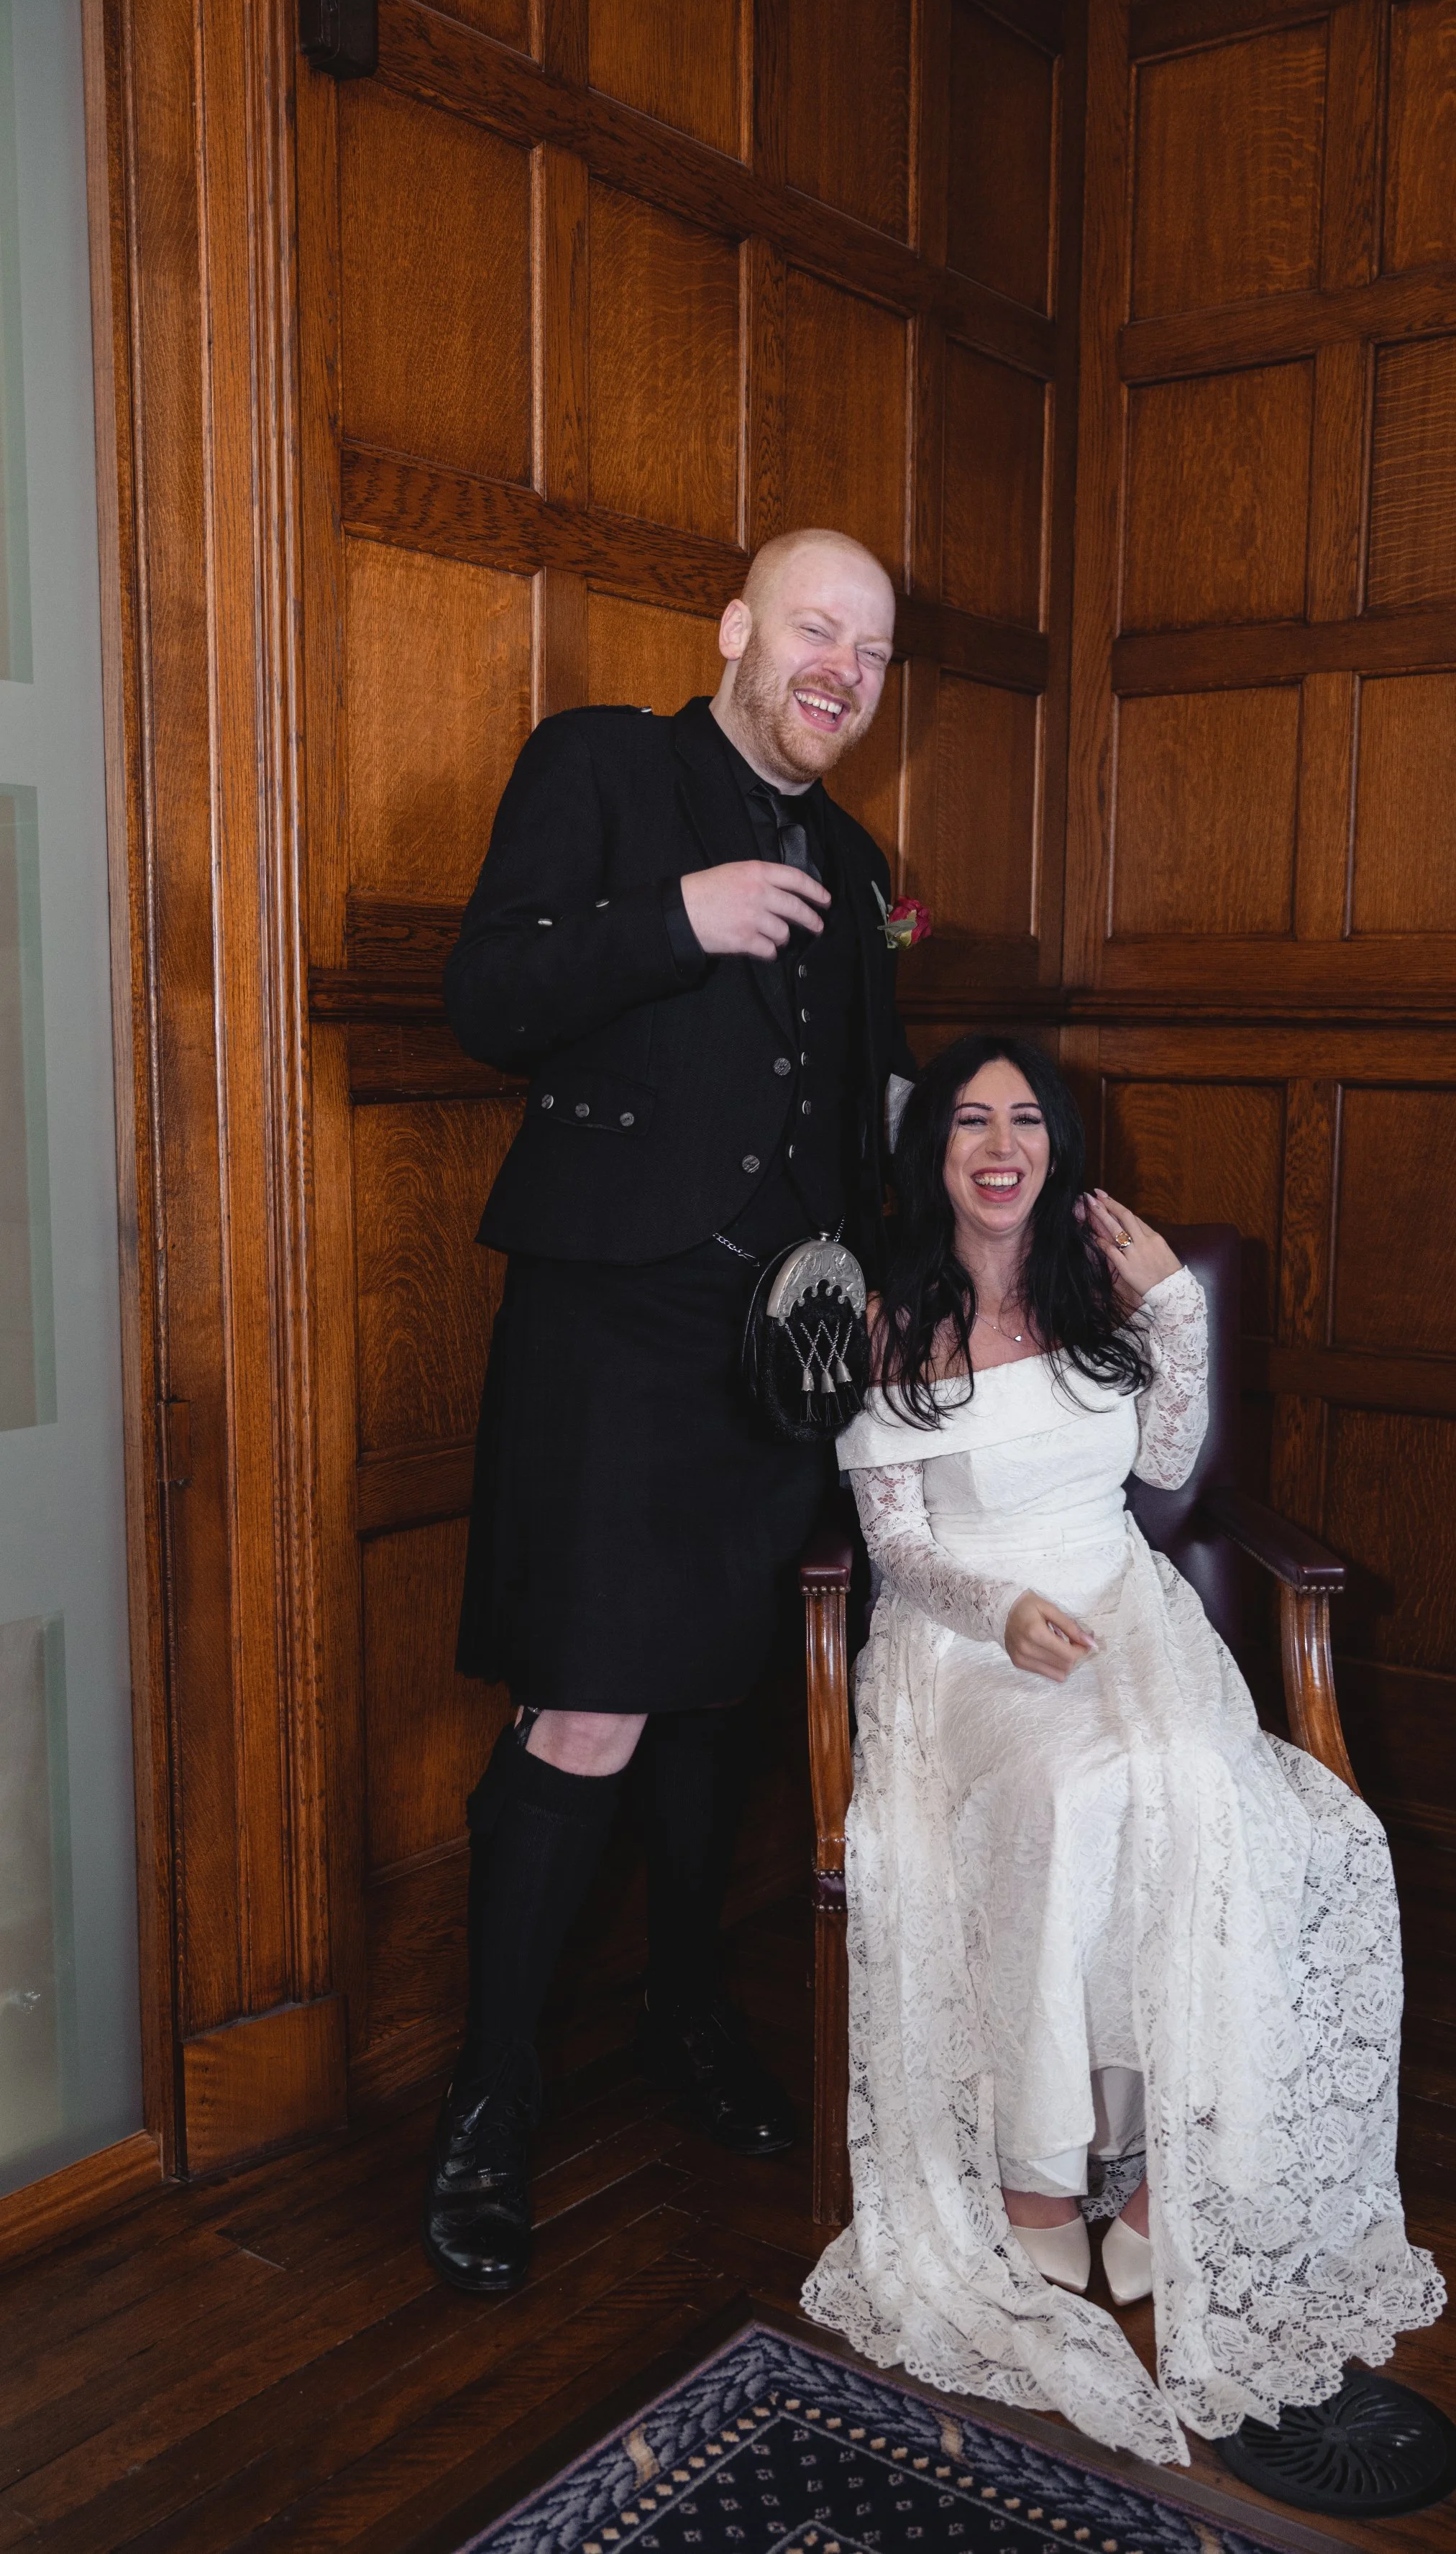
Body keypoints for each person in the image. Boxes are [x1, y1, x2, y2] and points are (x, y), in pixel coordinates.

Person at [802, 1035, 1444, 2465]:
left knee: (1197, 1787)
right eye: (970, 1117)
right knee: (1062, 1786)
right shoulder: (890, 1316)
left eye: (1024, 1117)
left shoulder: (1101, 1298)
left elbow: (1162, 1467)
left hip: (1120, 1607)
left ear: (1054, 1150)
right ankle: (1038, 2178)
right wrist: (995, 1605)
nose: (998, 1140)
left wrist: (1172, 1312)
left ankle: (1150, 2174)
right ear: (936, 1155)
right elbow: (895, 1546)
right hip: (967, 1632)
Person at [424, 529, 915, 2296]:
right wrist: (671, 920)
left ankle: (684, 2022)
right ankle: (488, 2101)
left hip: (773, 1353)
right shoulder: (603, 766)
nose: (839, 668)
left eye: (867, 650)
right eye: (813, 628)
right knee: (589, 1712)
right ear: (736, 627)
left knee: (717, 1708)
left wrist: (865, 1264)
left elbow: (858, 1109)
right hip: (612, 1325)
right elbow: (485, 997)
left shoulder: (857, 859)